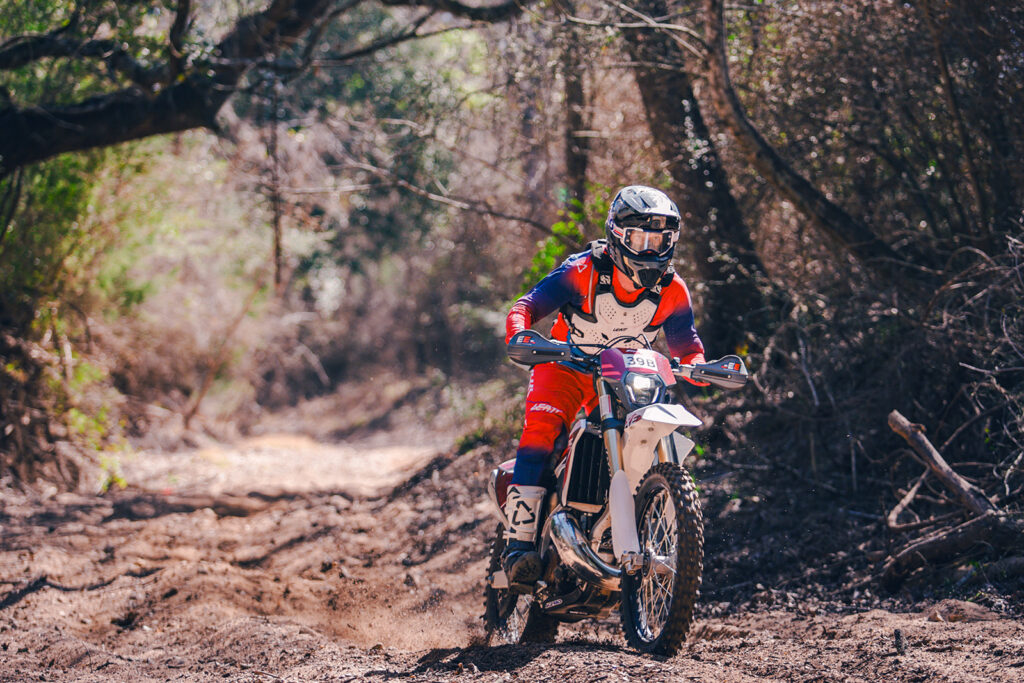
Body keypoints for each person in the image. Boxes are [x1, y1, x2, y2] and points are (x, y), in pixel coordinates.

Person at [501, 185, 709, 585]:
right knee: (541, 432)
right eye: (638, 238)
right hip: (564, 366)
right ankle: (520, 545)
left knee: (649, 435)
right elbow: (525, 307)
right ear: (617, 235)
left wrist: (697, 368)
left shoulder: (673, 289)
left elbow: (687, 346)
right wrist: (520, 334)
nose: (649, 250)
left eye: (659, 240)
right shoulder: (582, 271)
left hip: (625, 375)